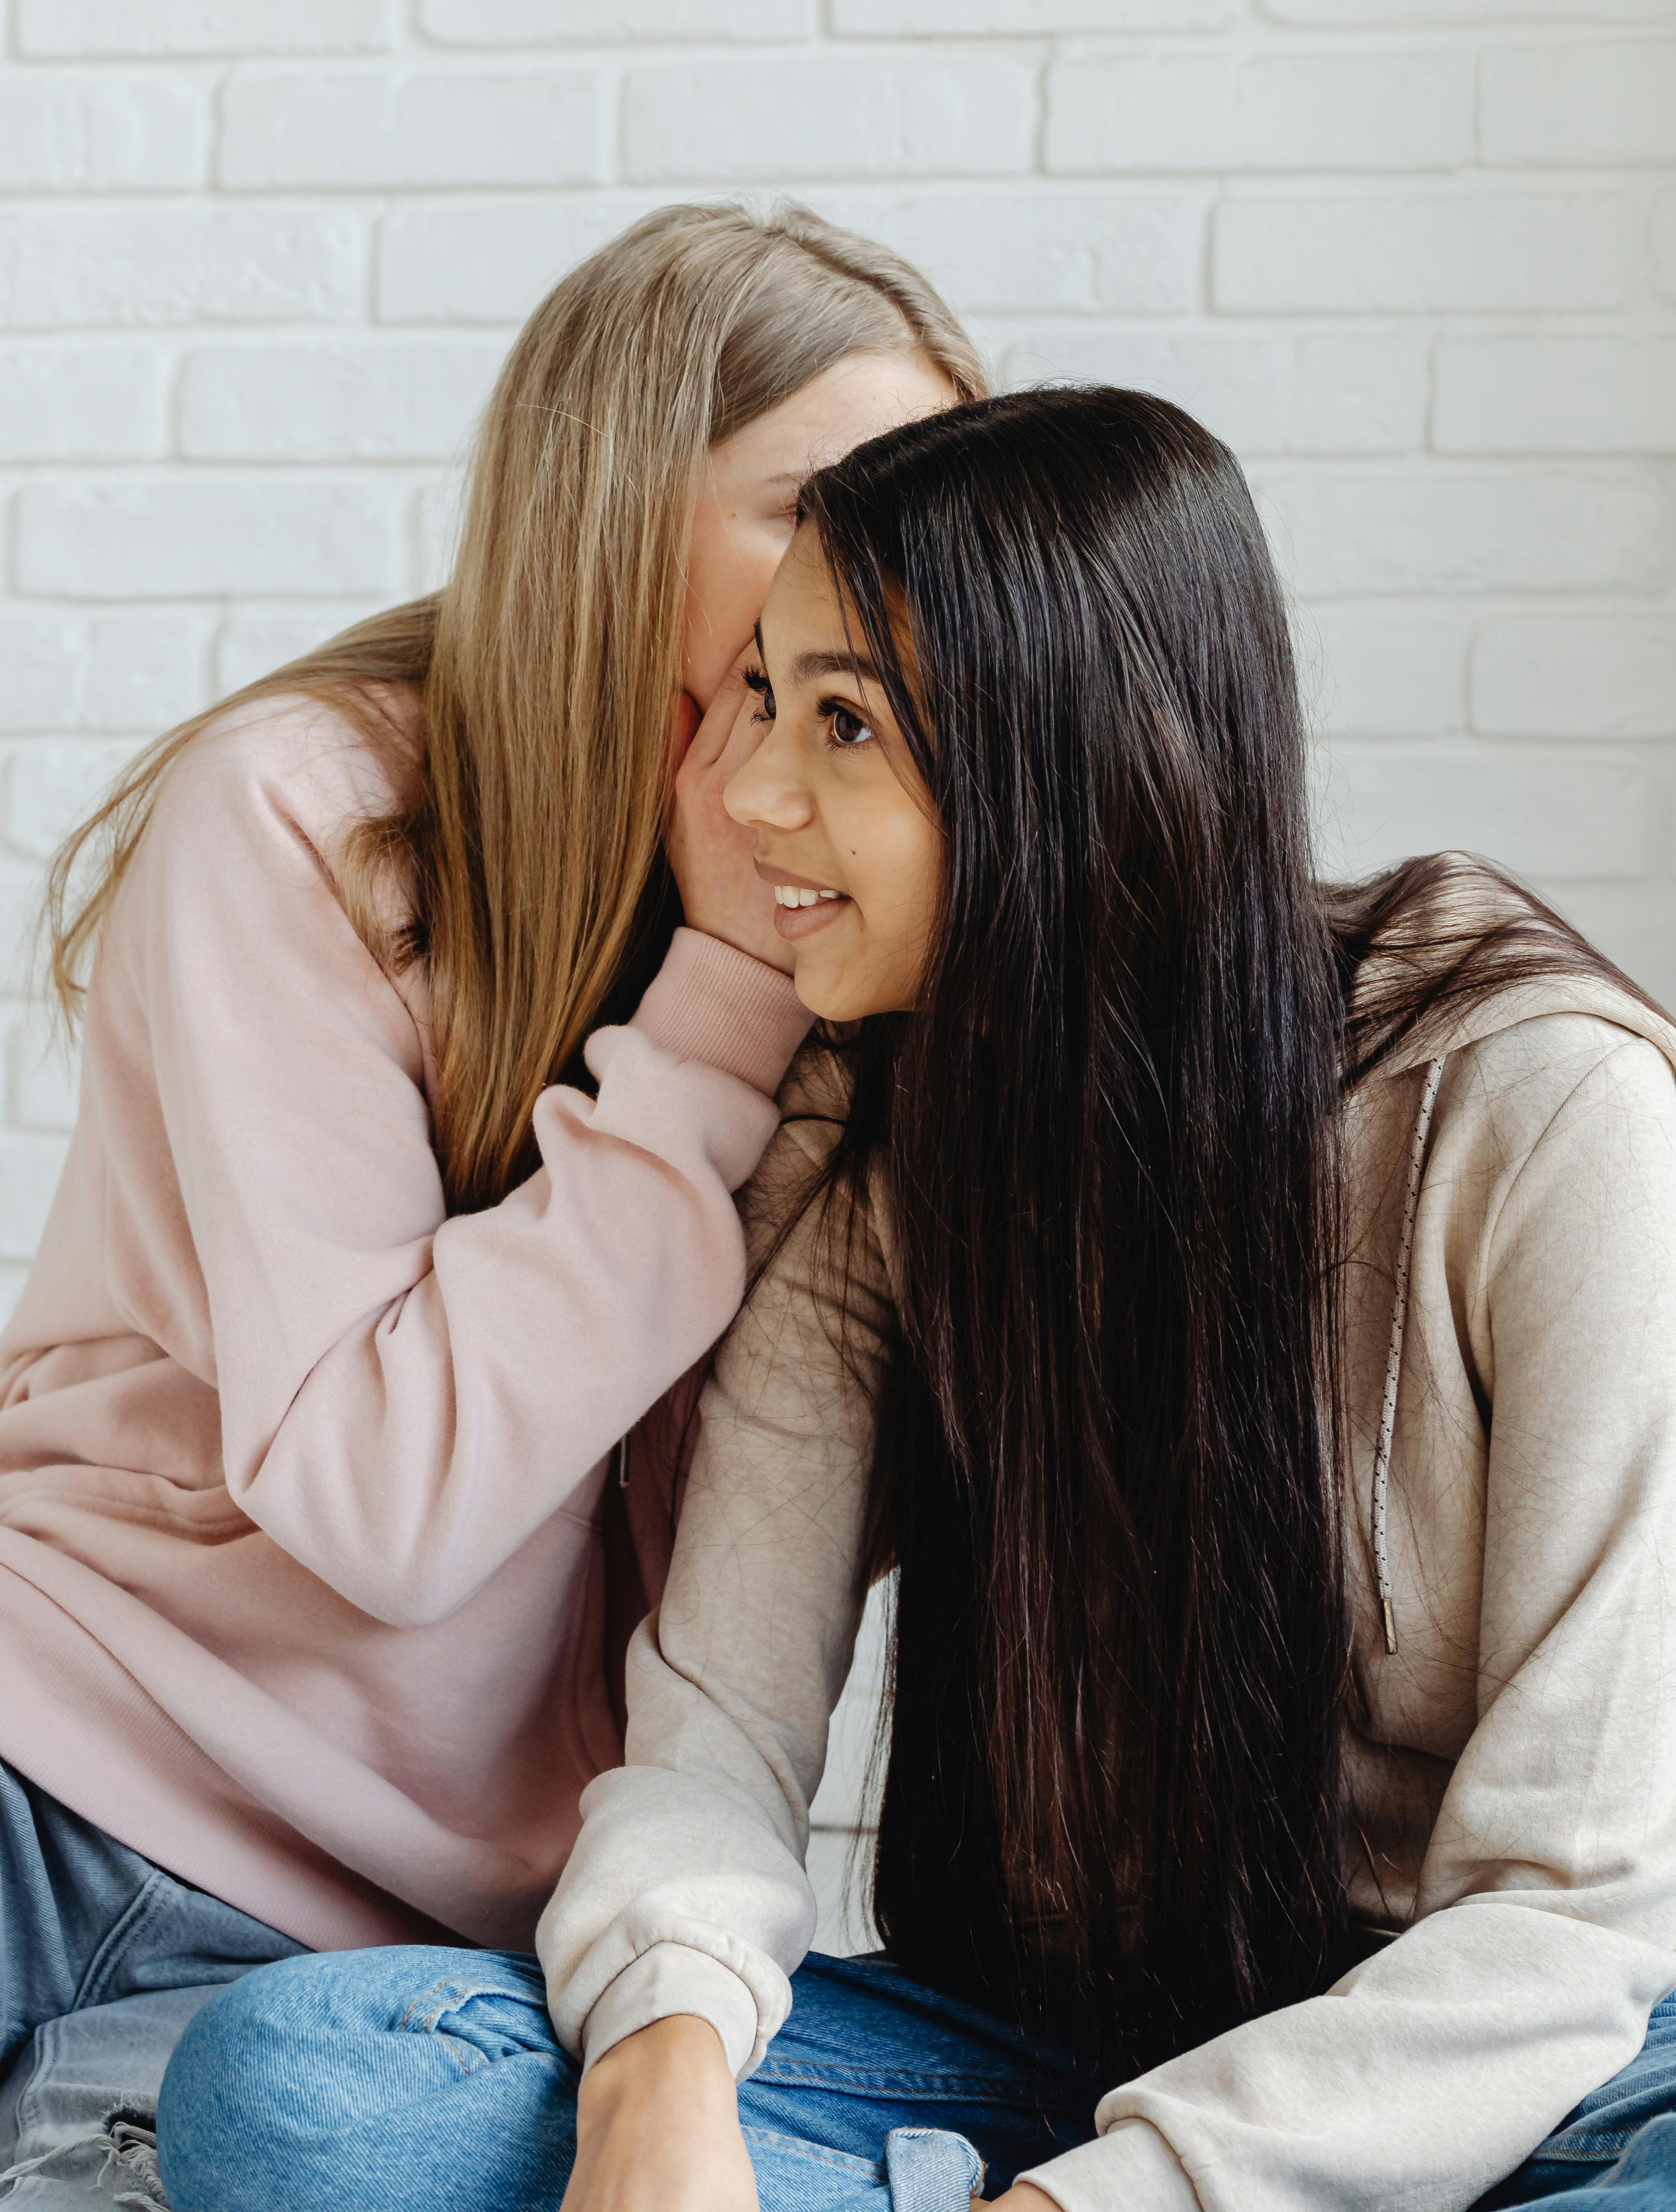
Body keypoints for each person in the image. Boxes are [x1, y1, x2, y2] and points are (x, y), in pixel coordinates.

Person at [157, 386, 1676, 2212]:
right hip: (1061, 2046)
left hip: (1521, 2072)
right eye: (761, 704)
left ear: (1083, 748)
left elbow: (1572, 1924)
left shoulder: (1545, 1113)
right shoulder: (882, 1140)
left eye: (845, 721)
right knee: (312, 2086)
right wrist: (660, 2100)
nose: (742, 796)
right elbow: (714, 1734)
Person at [0, 205, 982, 2201]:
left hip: (366, 1963)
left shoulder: (865, 969)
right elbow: (386, 1504)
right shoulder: (308, 809)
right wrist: (715, 1015)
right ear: (620, 506)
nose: (890, 574)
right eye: (829, 499)